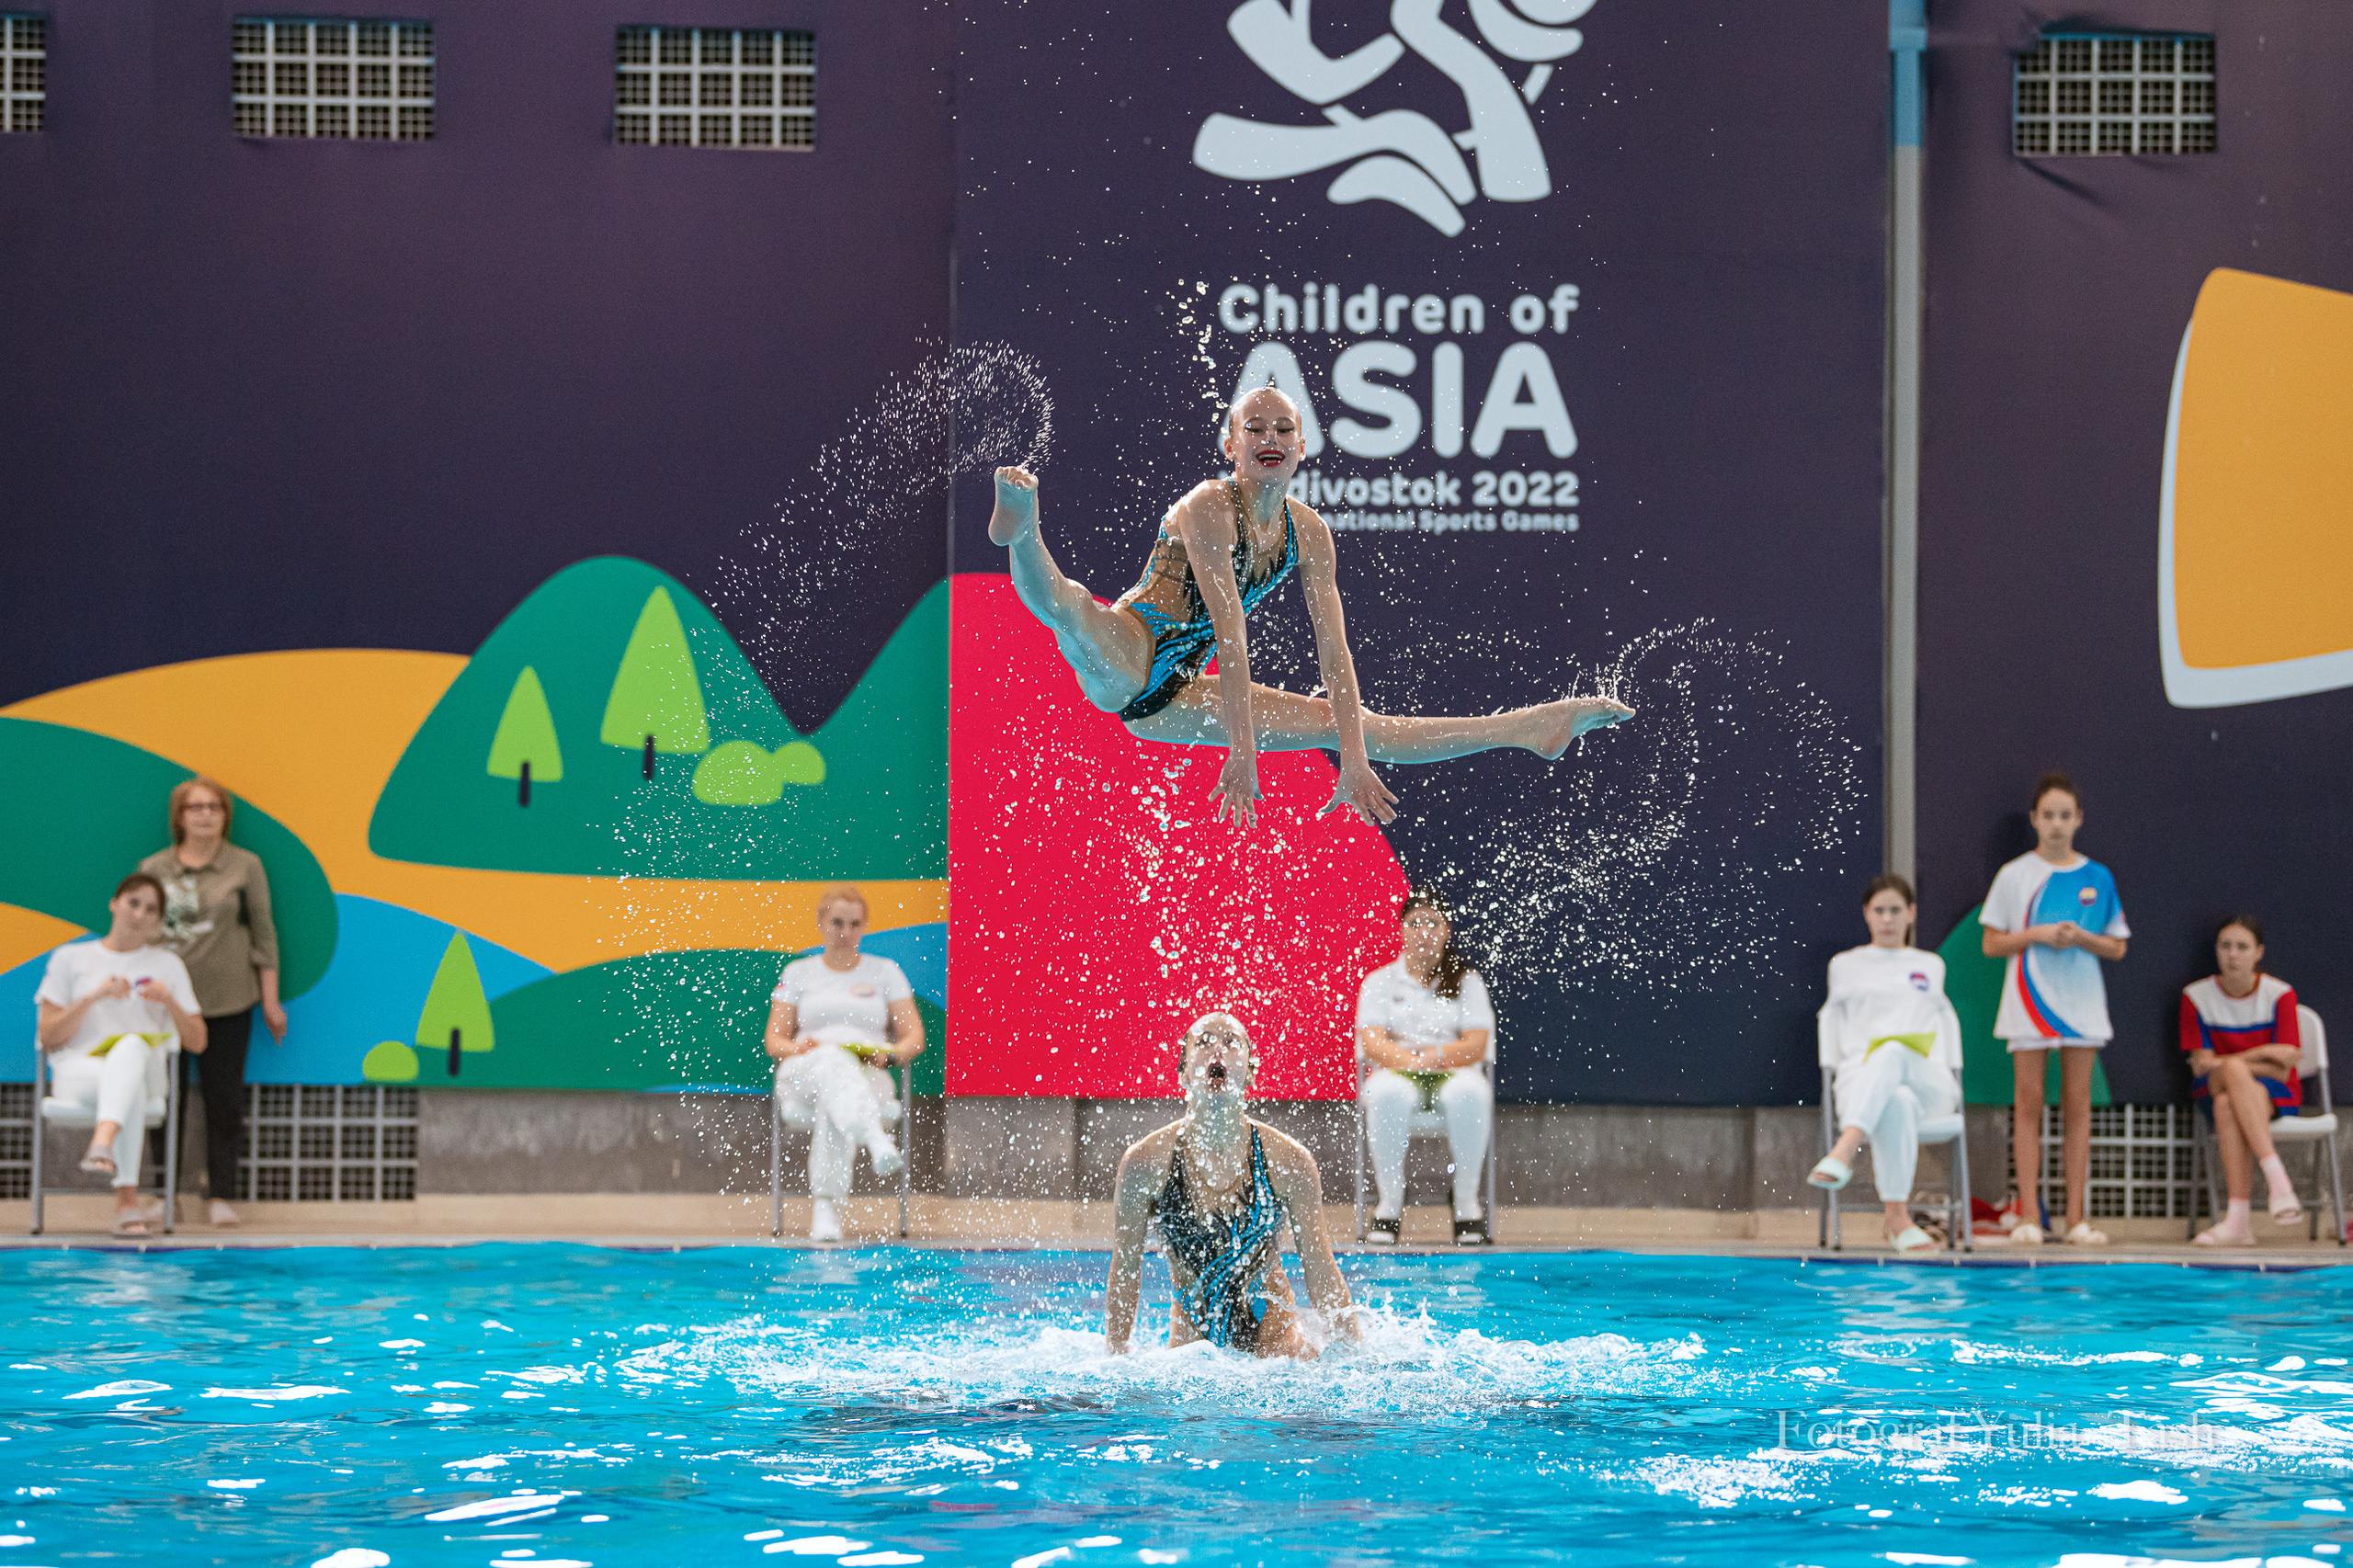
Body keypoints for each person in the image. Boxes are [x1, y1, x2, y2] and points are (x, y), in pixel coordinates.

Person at [986, 385, 1634, 830]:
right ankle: (1023, 530)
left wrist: (1354, 761)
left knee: (1354, 723)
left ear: (1301, 447)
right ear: (1230, 447)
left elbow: (1336, 653)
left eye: (1284, 429)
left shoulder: (1309, 533)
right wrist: (1242, 751)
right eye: (1254, 429)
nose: (1270, 438)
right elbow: (1232, 635)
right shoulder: (1209, 508)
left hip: (1182, 695)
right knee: (1072, 609)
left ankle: (1529, 727)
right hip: (1136, 646)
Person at [1105, 1012, 1359, 1358]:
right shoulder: (1145, 1164)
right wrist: (1115, 1356)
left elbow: (1320, 1267)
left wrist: (1354, 1352)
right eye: (1204, 1041)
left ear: (1251, 1073)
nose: (1218, 1051)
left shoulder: (1289, 1162)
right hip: (1192, 1353)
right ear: (1182, 1073)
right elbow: (1125, 1270)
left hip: (1277, 1345)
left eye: (1231, 1042)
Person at [1980, 773, 2129, 1246]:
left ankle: (2076, 1219)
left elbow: (2117, 947)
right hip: (2028, 1002)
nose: (2057, 824)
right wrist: (2038, 935)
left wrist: (2081, 938)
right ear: (2034, 820)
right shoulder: (2014, 875)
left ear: (2079, 820)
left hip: (2081, 1004)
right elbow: (1991, 943)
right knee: (2027, 1104)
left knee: (2078, 1107)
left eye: (2066, 815)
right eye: (2049, 815)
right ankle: (2028, 1217)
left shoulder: (2098, 876)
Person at [140, 777, 285, 1229]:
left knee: (224, 1100)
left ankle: (221, 1193)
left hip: (228, 1002)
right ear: (179, 817)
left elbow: (264, 934)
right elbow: (140, 929)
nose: (204, 815)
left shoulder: (245, 866)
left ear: (225, 816)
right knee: (163, 1101)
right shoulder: (155, 867)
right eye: (195, 807)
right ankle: (165, 1194)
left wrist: (271, 1002)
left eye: (213, 807)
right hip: (167, 1008)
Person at [34, 874, 207, 1236]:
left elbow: (198, 1041)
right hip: (81, 1074)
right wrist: (93, 998)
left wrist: (169, 1001)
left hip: (147, 1071)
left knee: (131, 1046)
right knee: (128, 1087)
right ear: (114, 903)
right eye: (133, 902)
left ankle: (103, 1140)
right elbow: (49, 1036)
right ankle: (125, 1203)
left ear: (158, 922)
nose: (139, 914)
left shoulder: (167, 965)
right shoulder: (71, 958)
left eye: (151, 909)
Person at [1807, 874, 1964, 1254]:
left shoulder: (1930, 965)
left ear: (1911, 914)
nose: (1888, 919)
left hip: (1931, 1082)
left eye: (1896, 910)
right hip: (1863, 1084)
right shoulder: (1845, 965)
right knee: (1898, 1100)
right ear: (1867, 914)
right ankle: (1897, 1219)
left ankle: (1845, 1149)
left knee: (1893, 1051)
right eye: (1880, 910)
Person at [762, 885, 926, 1243]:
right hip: (806, 1069)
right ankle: (874, 1138)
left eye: (854, 924)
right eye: (837, 922)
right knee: (832, 1060)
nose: (845, 932)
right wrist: (796, 1047)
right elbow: (774, 1040)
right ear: (821, 923)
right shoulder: (799, 972)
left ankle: (825, 1207)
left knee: (834, 1095)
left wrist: (892, 1055)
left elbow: (914, 1036)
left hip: (867, 1074)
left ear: (865, 926)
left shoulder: (885, 972)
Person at [1355, 890, 1495, 1246]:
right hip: (1398, 1070)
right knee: (1384, 1093)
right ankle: (1389, 1203)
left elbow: (1478, 1043)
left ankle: (1465, 1203)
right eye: (1415, 923)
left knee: (1472, 1092)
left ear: (1447, 930)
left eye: (1433, 923)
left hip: (1453, 1070)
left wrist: (1439, 1056)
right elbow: (1372, 1043)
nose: (1424, 931)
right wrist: (1411, 1061)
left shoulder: (1467, 981)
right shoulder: (1380, 982)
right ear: (1401, 930)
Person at [2182, 915, 2306, 1245]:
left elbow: (2283, 1071)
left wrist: (2231, 1063)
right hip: (2213, 1086)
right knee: (2230, 1080)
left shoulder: (2280, 994)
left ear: (2258, 952)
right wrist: (2265, 1053)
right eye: (2225, 946)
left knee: (2228, 1103)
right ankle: (2276, 1179)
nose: (2233, 955)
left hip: (2271, 1093)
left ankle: (2238, 1222)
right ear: (2216, 951)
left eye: (2242, 947)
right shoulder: (2195, 996)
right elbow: (2201, 1068)